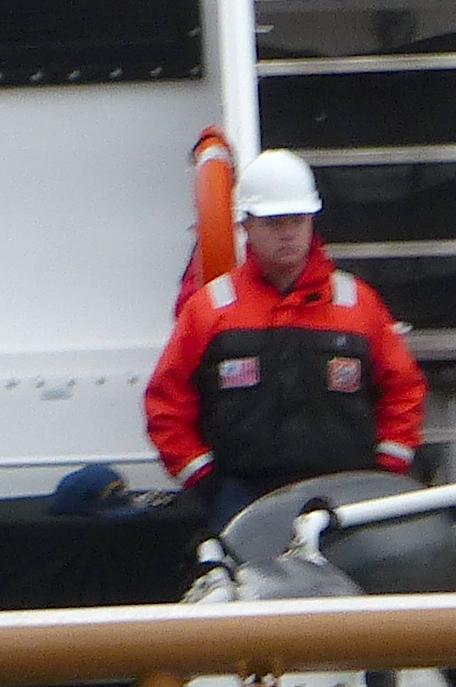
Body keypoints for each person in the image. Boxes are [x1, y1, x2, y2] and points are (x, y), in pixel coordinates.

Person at [143, 149, 425, 528]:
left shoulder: (358, 304)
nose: (289, 233)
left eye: (298, 220)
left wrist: (384, 470)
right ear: (247, 225)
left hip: (347, 498)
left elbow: (404, 391)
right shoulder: (210, 310)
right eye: (275, 222)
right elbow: (166, 405)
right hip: (243, 500)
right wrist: (208, 482)